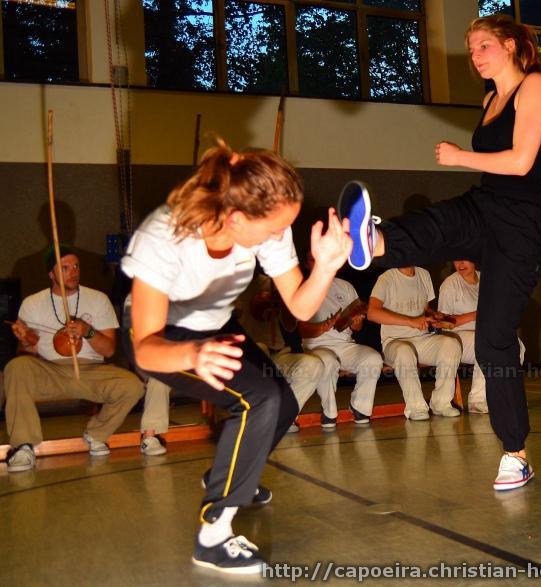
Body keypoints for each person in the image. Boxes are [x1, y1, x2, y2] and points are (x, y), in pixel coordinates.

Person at [338, 14, 541, 491]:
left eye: (484, 45)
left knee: (493, 341)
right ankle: (373, 240)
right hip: (489, 204)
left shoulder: (536, 86)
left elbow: (524, 162)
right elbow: (520, 173)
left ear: (510, 45)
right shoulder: (490, 99)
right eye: (471, 48)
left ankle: (515, 453)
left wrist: (462, 157)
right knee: (440, 222)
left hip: (519, 227)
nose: (475, 56)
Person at [121, 142, 351, 574]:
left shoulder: (269, 226)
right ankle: (213, 537)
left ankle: (225, 476)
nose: (279, 237)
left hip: (216, 325)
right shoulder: (164, 236)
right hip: (162, 336)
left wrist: (325, 268)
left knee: (282, 402)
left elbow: (300, 307)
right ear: (236, 218)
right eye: (273, 230)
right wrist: (193, 353)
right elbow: (144, 348)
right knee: (259, 398)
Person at [3, 247, 144, 473]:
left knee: (132, 385)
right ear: (51, 274)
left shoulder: (98, 299)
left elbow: (109, 350)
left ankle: (96, 434)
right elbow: (26, 353)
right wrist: (27, 339)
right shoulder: (32, 303)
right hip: (50, 371)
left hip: (91, 371)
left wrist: (88, 331)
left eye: (76, 266)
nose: (74, 272)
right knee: (17, 367)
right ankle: (23, 446)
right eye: (65, 268)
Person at [298, 254, 382, 428]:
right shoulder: (302, 288)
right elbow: (301, 329)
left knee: (373, 358)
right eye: (314, 259)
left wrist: (356, 322)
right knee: (328, 360)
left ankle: (359, 407)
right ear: (307, 264)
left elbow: (357, 327)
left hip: (345, 345)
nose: (320, 262)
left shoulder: (345, 286)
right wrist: (323, 327)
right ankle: (329, 412)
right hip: (316, 347)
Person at [368, 266, 461, 420]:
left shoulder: (424, 274)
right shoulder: (387, 278)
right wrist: (411, 321)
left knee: (451, 344)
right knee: (404, 351)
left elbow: (424, 309)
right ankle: (416, 407)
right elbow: (372, 313)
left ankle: (441, 403)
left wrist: (434, 317)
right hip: (394, 342)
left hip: (422, 339)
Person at [235, 271, 324, 433]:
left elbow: (290, 326)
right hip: (246, 356)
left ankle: (283, 418)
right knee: (259, 349)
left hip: (278, 354)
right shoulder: (229, 283)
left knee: (313, 365)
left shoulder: (274, 282)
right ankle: (257, 418)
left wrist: (284, 304)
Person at [438, 259, 525, 414]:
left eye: (464, 259)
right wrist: (476, 315)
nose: (460, 264)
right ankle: (477, 400)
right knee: (487, 344)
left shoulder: (487, 279)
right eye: (456, 260)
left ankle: (502, 396)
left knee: (516, 345)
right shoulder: (449, 285)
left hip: (485, 334)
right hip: (456, 338)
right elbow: (443, 322)